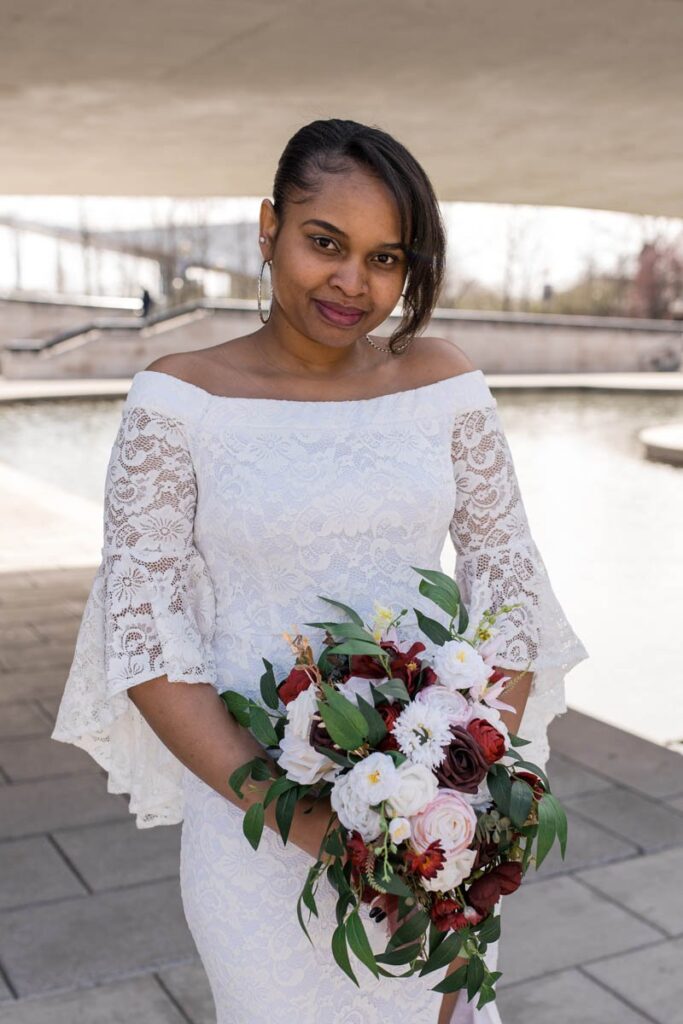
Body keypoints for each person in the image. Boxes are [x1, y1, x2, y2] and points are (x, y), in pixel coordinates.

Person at [52, 118, 588, 1024]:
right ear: (269, 229)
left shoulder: (445, 383)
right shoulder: (178, 401)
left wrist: (454, 797)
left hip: (429, 834)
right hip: (257, 830)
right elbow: (147, 647)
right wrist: (316, 828)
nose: (353, 283)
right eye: (324, 243)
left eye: (386, 258)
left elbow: (511, 598)